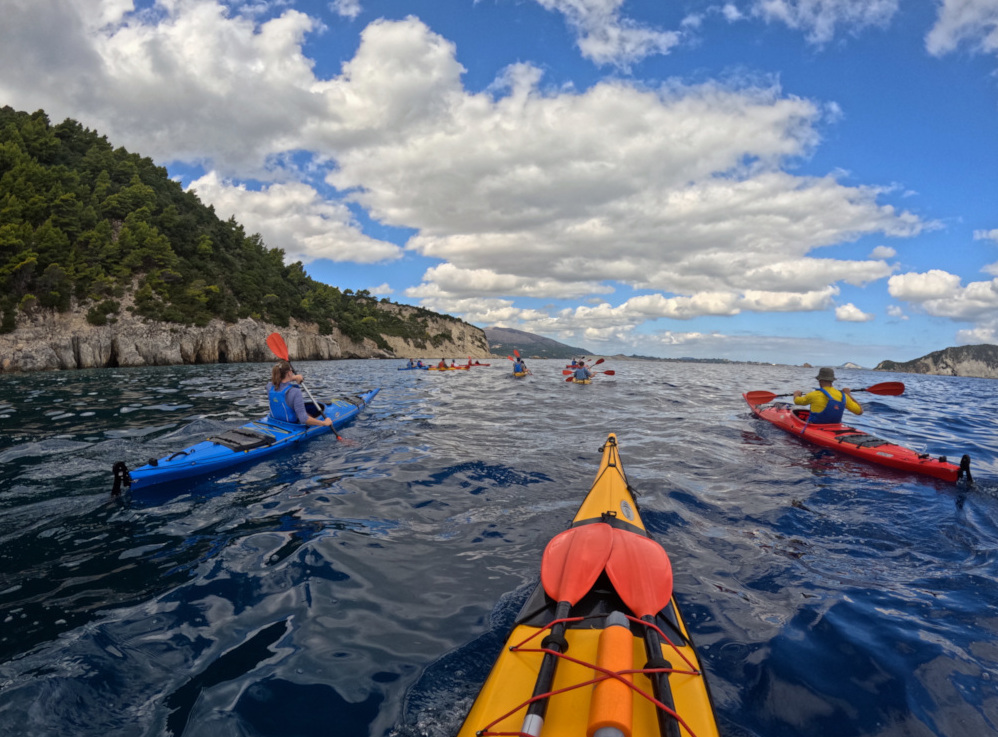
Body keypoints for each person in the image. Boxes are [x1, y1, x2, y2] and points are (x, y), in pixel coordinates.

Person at [268, 361, 333, 427]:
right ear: (289, 373)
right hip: (291, 426)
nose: (292, 372)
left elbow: (278, 381)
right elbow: (303, 419)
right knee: (307, 414)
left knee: (305, 412)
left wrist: (294, 377)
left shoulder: (270, 387)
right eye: (291, 371)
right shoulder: (295, 391)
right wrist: (324, 423)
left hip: (275, 421)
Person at [793, 367, 862, 424]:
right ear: (832, 381)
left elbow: (797, 401)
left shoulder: (814, 394)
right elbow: (860, 411)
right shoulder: (843, 396)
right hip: (834, 427)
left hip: (815, 427)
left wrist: (796, 394)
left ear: (820, 380)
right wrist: (849, 395)